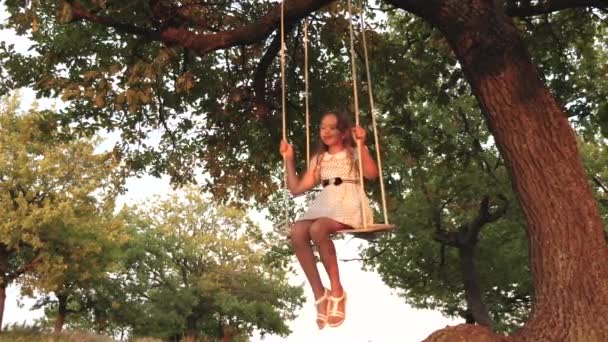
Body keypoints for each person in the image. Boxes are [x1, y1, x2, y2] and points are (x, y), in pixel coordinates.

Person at [279, 110, 379, 329]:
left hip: (349, 200)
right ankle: (320, 294)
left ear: (343, 133)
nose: (326, 132)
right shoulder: (319, 159)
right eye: (322, 127)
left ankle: (337, 291)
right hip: (326, 201)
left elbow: (372, 174)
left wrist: (361, 144)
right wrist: (289, 159)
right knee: (297, 231)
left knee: (318, 229)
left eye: (332, 127)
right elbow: (296, 189)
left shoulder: (353, 152)